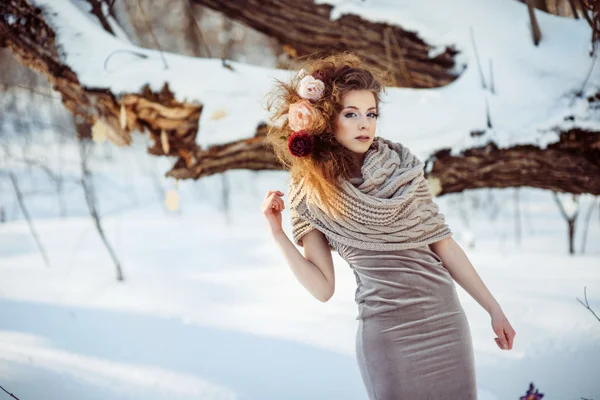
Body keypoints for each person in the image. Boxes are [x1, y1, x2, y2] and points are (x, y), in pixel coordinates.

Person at [260, 53, 515, 400]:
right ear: (325, 121)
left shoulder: (402, 170)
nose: (364, 124)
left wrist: (494, 309)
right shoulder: (312, 192)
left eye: (371, 114)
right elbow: (323, 289)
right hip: (388, 333)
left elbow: (445, 246)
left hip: (446, 324)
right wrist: (277, 233)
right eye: (351, 114)